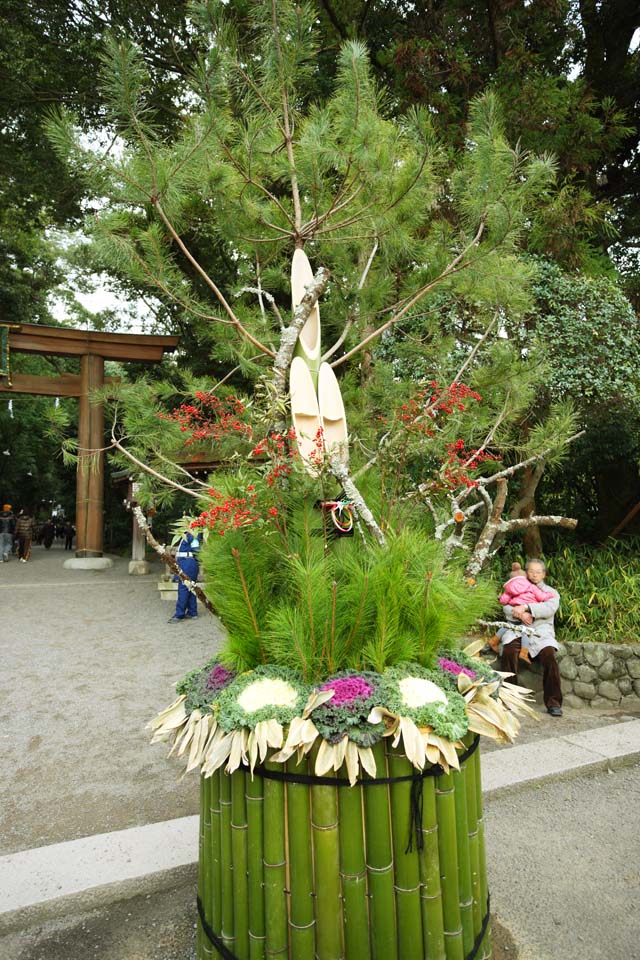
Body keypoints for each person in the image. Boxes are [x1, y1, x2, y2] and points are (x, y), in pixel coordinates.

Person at [499, 558, 563, 717]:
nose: (534, 575)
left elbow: (549, 608)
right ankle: (510, 700)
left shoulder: (551, 592)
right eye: (531, 571)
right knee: (508, 652)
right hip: (518, 629)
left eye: (538, 572)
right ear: (526, 572)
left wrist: (527, 608)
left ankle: (553, 702)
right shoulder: (516, 586)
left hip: (541, 631)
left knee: (549, 655)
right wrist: (520, 614)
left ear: (544, 574)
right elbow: (506, 606)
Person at [168, 529, 200, 623]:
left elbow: (196, 549)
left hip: (188, 563)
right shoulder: (188, 534)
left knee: (184, 588)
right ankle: (192, 612)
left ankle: (179, 614)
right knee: (190, 588)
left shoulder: (194, 534)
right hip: (186, 562)